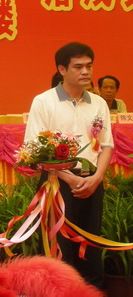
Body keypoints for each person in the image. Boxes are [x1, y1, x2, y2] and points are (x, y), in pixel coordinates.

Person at [25, 42, 113, 291]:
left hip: (91, 182)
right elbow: (34, 150)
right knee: (59, 247)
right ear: (62, 69)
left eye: (89, 66)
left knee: (90, 244)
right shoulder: (43, 102)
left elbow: (106, 145)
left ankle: (93, 292)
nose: (86, 72)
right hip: (57, 183)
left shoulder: (99, 103)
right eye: (78, 67)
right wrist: (70, 178)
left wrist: (96, 178)